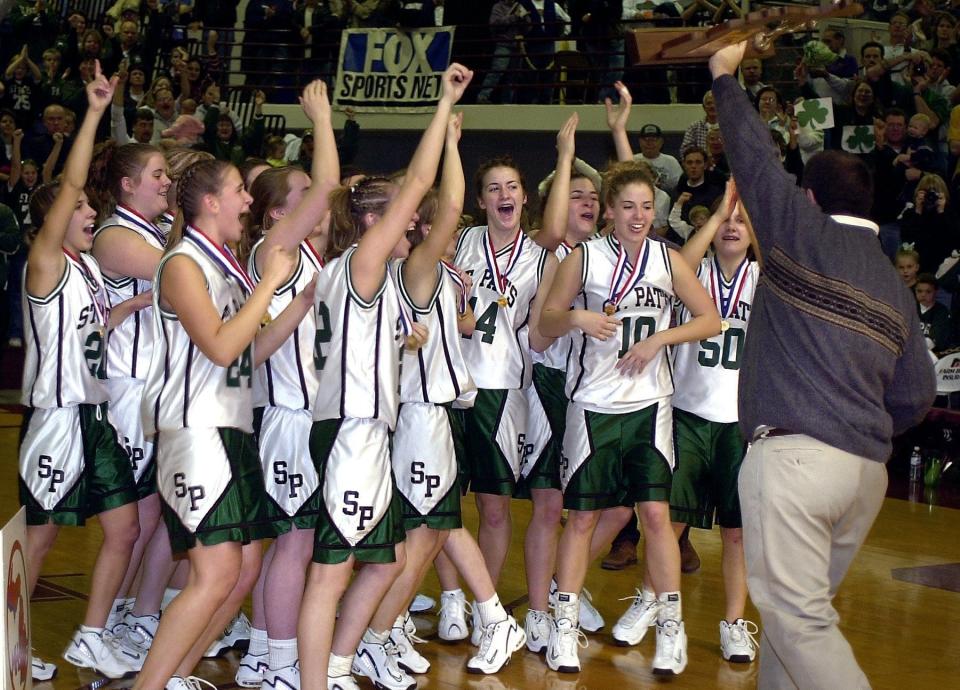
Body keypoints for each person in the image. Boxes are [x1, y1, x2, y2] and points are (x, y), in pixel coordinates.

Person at [709, 40, 936, 689]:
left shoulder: (798, 232)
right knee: (793, 622)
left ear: (808, 198)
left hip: (796, 464)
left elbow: (752, 154)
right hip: (864, 477)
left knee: (799, 622)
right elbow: (916, 396)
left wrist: (724, 74)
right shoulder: (893, 283)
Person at [296, 63, 470, 690]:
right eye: (401, 212)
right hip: (349, 432)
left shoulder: (376, 277)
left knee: (385, 558)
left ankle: (341, 664)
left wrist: (451, 140)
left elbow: (444, 203)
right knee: (330, 574)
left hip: (364, 431)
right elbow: (424, 185)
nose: (413, 221)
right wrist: (442, 105)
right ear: (376, 222)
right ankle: (317, 680)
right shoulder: (363, 264)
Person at [539, 159, 721, 676]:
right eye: (628, 207)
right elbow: (545, 322)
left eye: (646, 206)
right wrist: (576, 316)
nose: (638, 215)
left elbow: (709, 318)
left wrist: (659, 339)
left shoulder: (668, 259)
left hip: (650, 403)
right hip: (593, 404)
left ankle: (670, 628)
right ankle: (564, 624)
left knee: (658, 517)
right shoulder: (584, 258)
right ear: (609, 212)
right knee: (583, 520)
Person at [131, 157, 303, 690]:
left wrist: (301, 302)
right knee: (214, 575)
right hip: (194, 432)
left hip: (231, 428)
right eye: (238, 191)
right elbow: (223, 347)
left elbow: (248, 354)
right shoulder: (183, 263)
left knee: (242, 569)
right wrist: (269, 285)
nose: (248, 201)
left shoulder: (224, 265)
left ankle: (177, 676)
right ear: (210, 202)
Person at [18, 61, 146, 682]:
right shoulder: (46, 263)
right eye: (79, 208)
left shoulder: (90, 270)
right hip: (57, 418)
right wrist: (94, 113)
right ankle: (7, 640)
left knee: (122, 528)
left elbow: (104, 322)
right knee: (37, 541)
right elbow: (70, 186)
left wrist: (150, 298)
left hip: (95, 416)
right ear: (54, 218)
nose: (90, 211)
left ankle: (91, 637)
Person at [614, 178, 759, 663]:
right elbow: (679, 261)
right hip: (688, 415)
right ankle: (650, 600)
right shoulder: (689, 275)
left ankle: (735, 623)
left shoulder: (763, 281)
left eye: (742, 221)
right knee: (667, 521)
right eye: (724, 222)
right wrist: (719, 213)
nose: (732, 227)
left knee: (736, 532)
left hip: (740, 424)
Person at [233, 80, 340, 690]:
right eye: (297, 196)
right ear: (277, 214)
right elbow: (257, 349)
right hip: (286, 416)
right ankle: (276, 663)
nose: (314, 201)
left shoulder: (306, 257)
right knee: (293, 545)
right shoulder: (280, 249)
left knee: (291, 546)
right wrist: (320, 120)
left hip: (305, 415)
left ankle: (265, 654)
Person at [87, 141, 172, 643]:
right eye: (158, 174)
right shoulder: (115, 235)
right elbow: (189, 273)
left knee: (155, 512)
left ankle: (135, 616)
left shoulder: (154, 230)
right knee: (132, 520)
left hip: (155, 387)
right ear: (128, 184)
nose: (166, 183)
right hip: (128, 388)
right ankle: (109, 620)